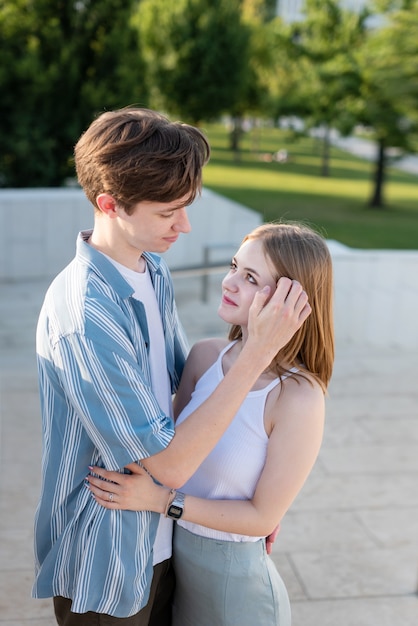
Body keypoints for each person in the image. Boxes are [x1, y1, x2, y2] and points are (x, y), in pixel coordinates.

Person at [33, 106, 311, 626]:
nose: (184, 226)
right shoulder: (84, 315)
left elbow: (188, 402)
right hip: (109, 562)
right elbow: (169, 462)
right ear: (110, 205)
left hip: (167, 545)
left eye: (186, 207)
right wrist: (257, 353)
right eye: (167, 213)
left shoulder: (151, 269)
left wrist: (253, 510)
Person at [87, 222, 335, 626]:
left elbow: (261, 518)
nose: (229, 282)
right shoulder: (203, 358)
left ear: (291, 300)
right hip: (175, 579)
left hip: (237, 597)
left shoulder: (298, 397)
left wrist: (161, 502)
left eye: (250, 277)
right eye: (235, 266)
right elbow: (173, 455)